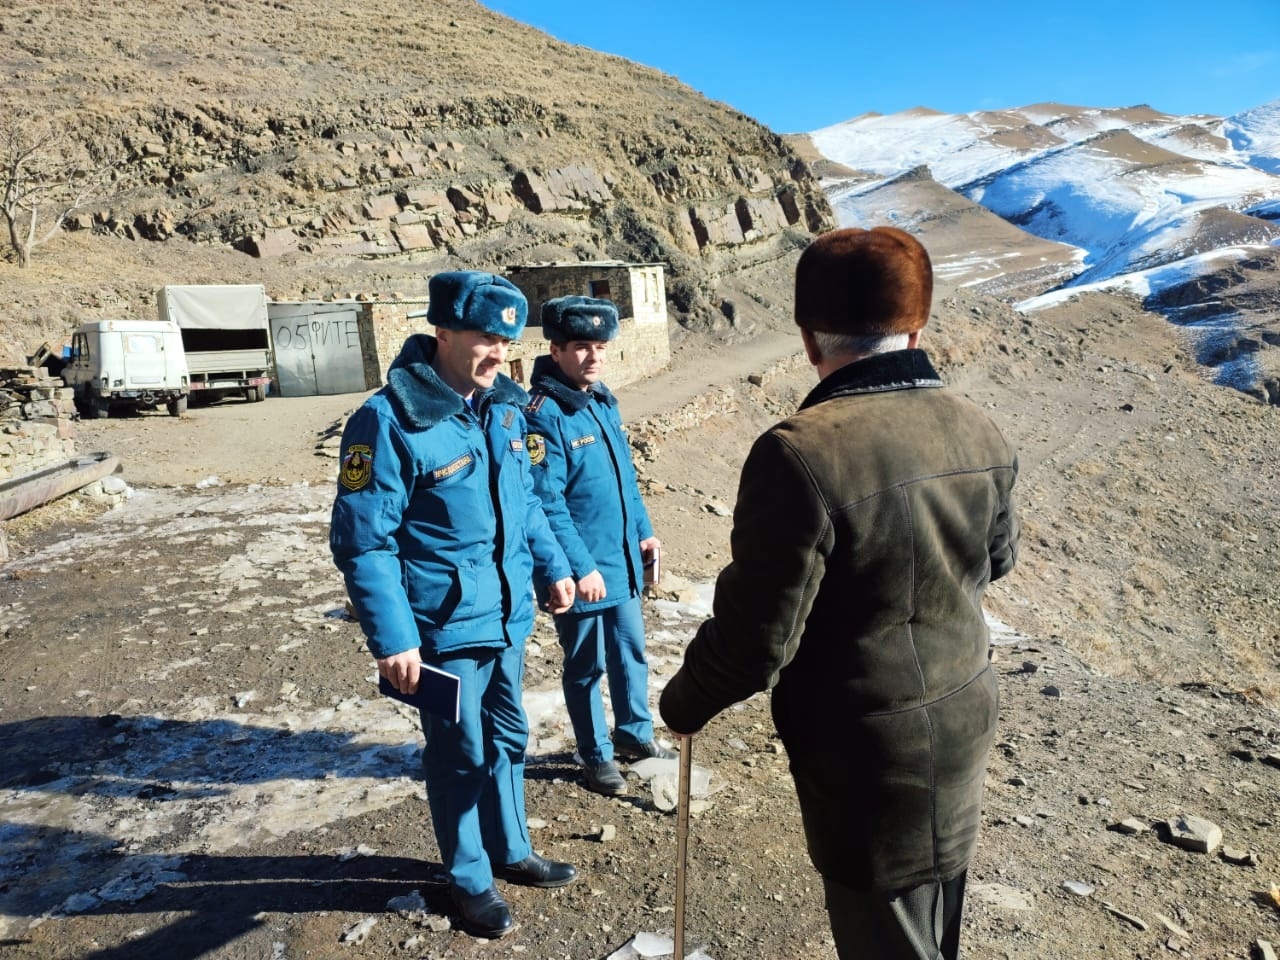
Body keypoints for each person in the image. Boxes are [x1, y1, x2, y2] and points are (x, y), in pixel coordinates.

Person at [659, 227, 1020, 960]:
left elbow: (756, 640)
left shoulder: (799, 451)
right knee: (935, 912)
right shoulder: (978, 425)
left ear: (808, 337)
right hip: (961, 714)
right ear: (917, 325)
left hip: (868, 754)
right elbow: (997, 560)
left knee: (885, 935)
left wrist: (684, 701)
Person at [330, 271, 580, 941]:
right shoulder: (387, 420)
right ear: (442, 331)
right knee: (459, 751)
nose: (498, 352)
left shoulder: (502, 406)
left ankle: (511, 849)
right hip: (440, 630)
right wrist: (392, 640)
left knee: (507, 738)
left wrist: (553, 567)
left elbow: (524, 499)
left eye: (506, 338)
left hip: (504, 618)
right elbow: (364, 542)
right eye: (483, 337)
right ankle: (469, 878)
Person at [523, 295, 673, 797]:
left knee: (631, 654)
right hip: (582, 570)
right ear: (557, 350)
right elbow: (547, 503)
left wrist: (644, 531)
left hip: (623, 561)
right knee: (586, 667)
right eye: (582, 347)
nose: (594, 357)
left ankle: (635, 735)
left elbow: (625, 481)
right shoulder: (544, 414)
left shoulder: (602, 400)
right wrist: (579, 567)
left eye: (601, 347)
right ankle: (595, 754)